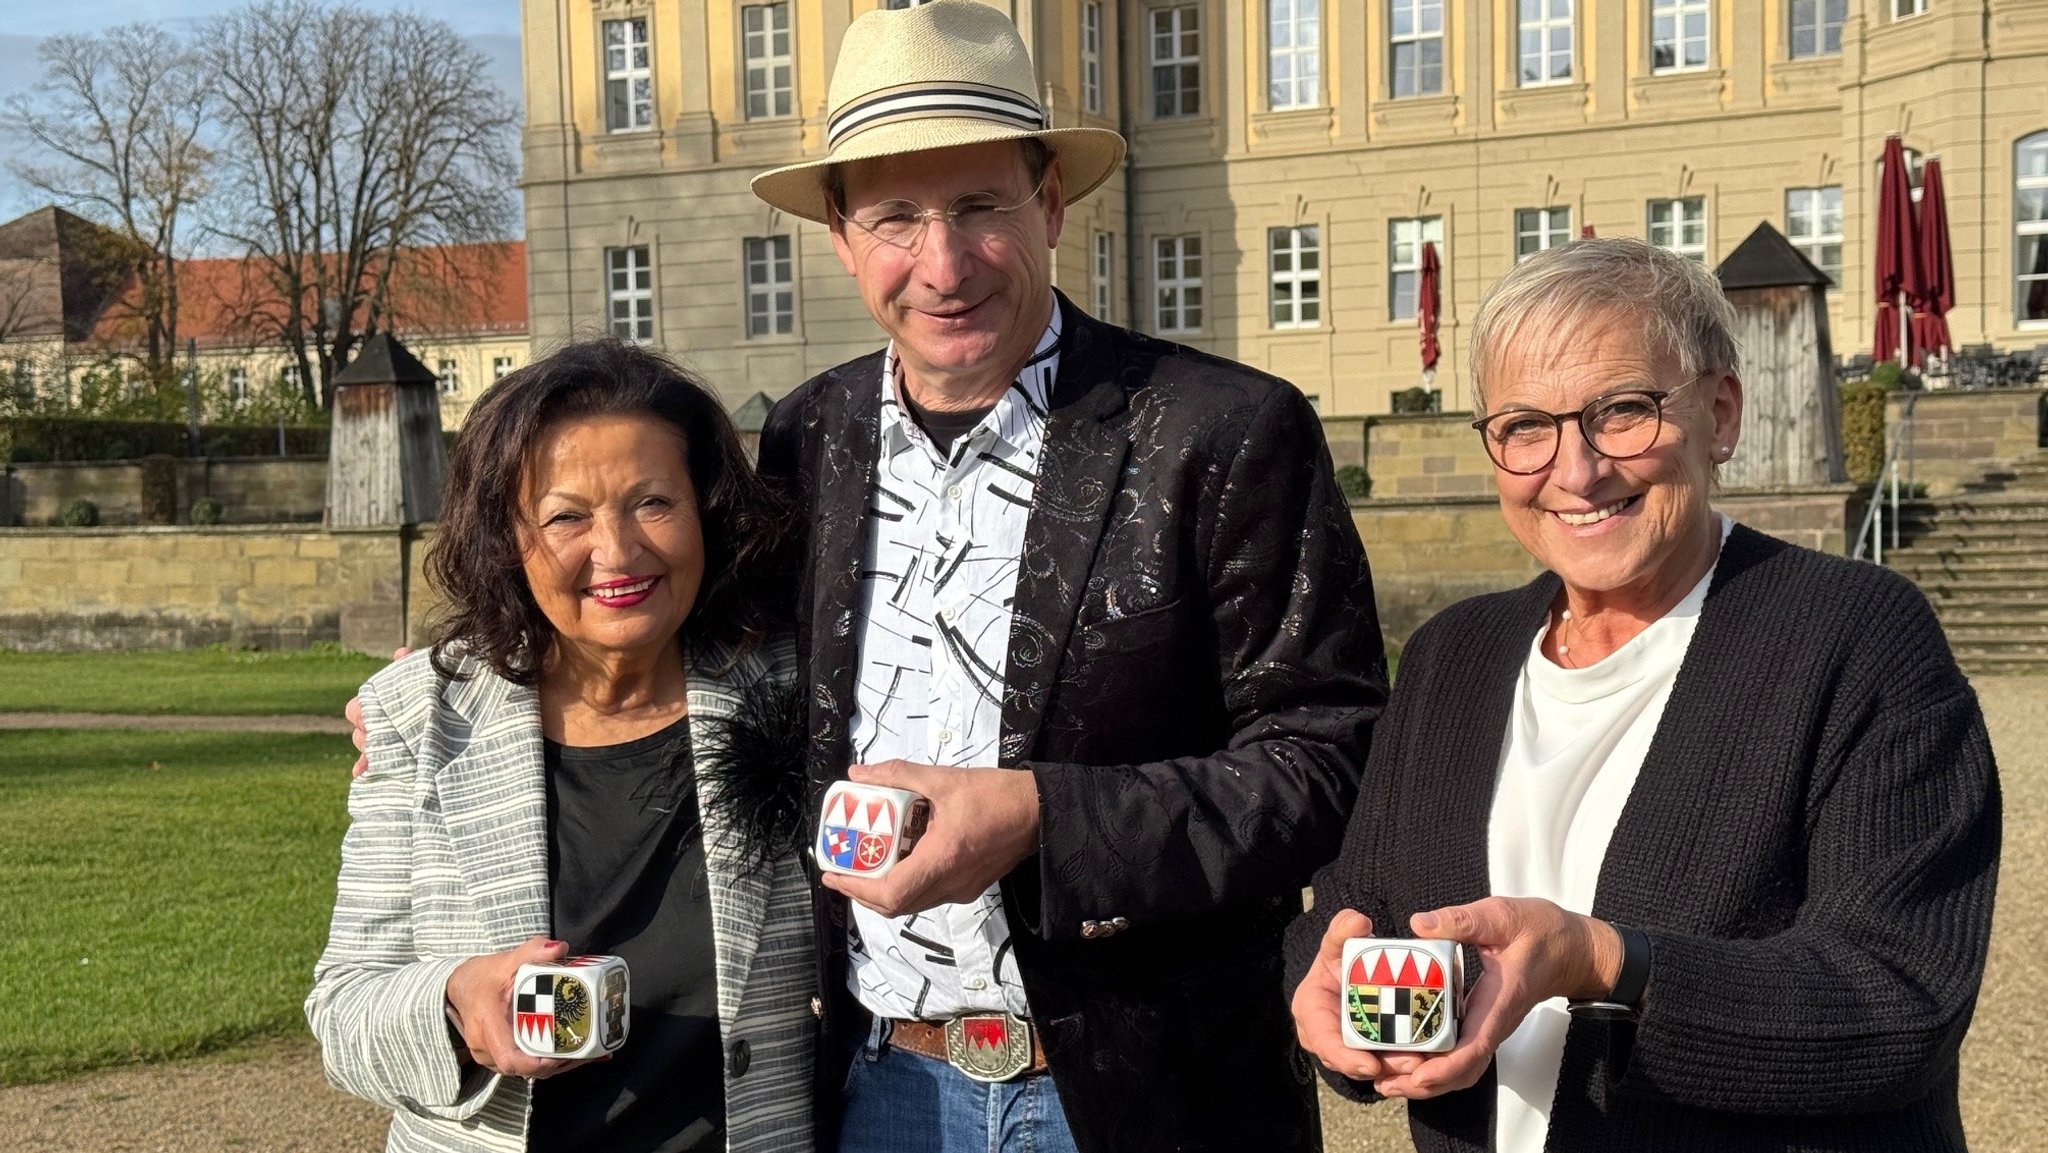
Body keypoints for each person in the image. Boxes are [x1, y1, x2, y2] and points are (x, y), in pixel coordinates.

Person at [747, 4, 1387, 1152]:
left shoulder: (1220, 431)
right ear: (839, 234)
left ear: (1049, 205)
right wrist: (472, 695)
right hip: (876, 1084)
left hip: (1144, 1089)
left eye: (980, 206)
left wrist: (1045, 818)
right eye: (894, 216)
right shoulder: (806, 440)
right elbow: (703, 673)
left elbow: (1325, 763)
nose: (940, 265)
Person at [1285, 238, 2001, 1152]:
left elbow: (1901, 999)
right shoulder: (1448, 658)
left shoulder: (1859, 637)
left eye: (1623, 410)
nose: (1576, 470)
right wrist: (1323, 990)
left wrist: (1604, 963)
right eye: (1524, 426)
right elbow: (1357, 905)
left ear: (1721, 412)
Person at [310, 341, 816, 1153]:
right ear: (508, 538)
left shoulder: (804, 684)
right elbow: (343, 1010)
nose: (617, 552)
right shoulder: (419, 718)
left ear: (706, 511)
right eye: (566, 516)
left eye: (653, 502)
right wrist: (452, 1003)